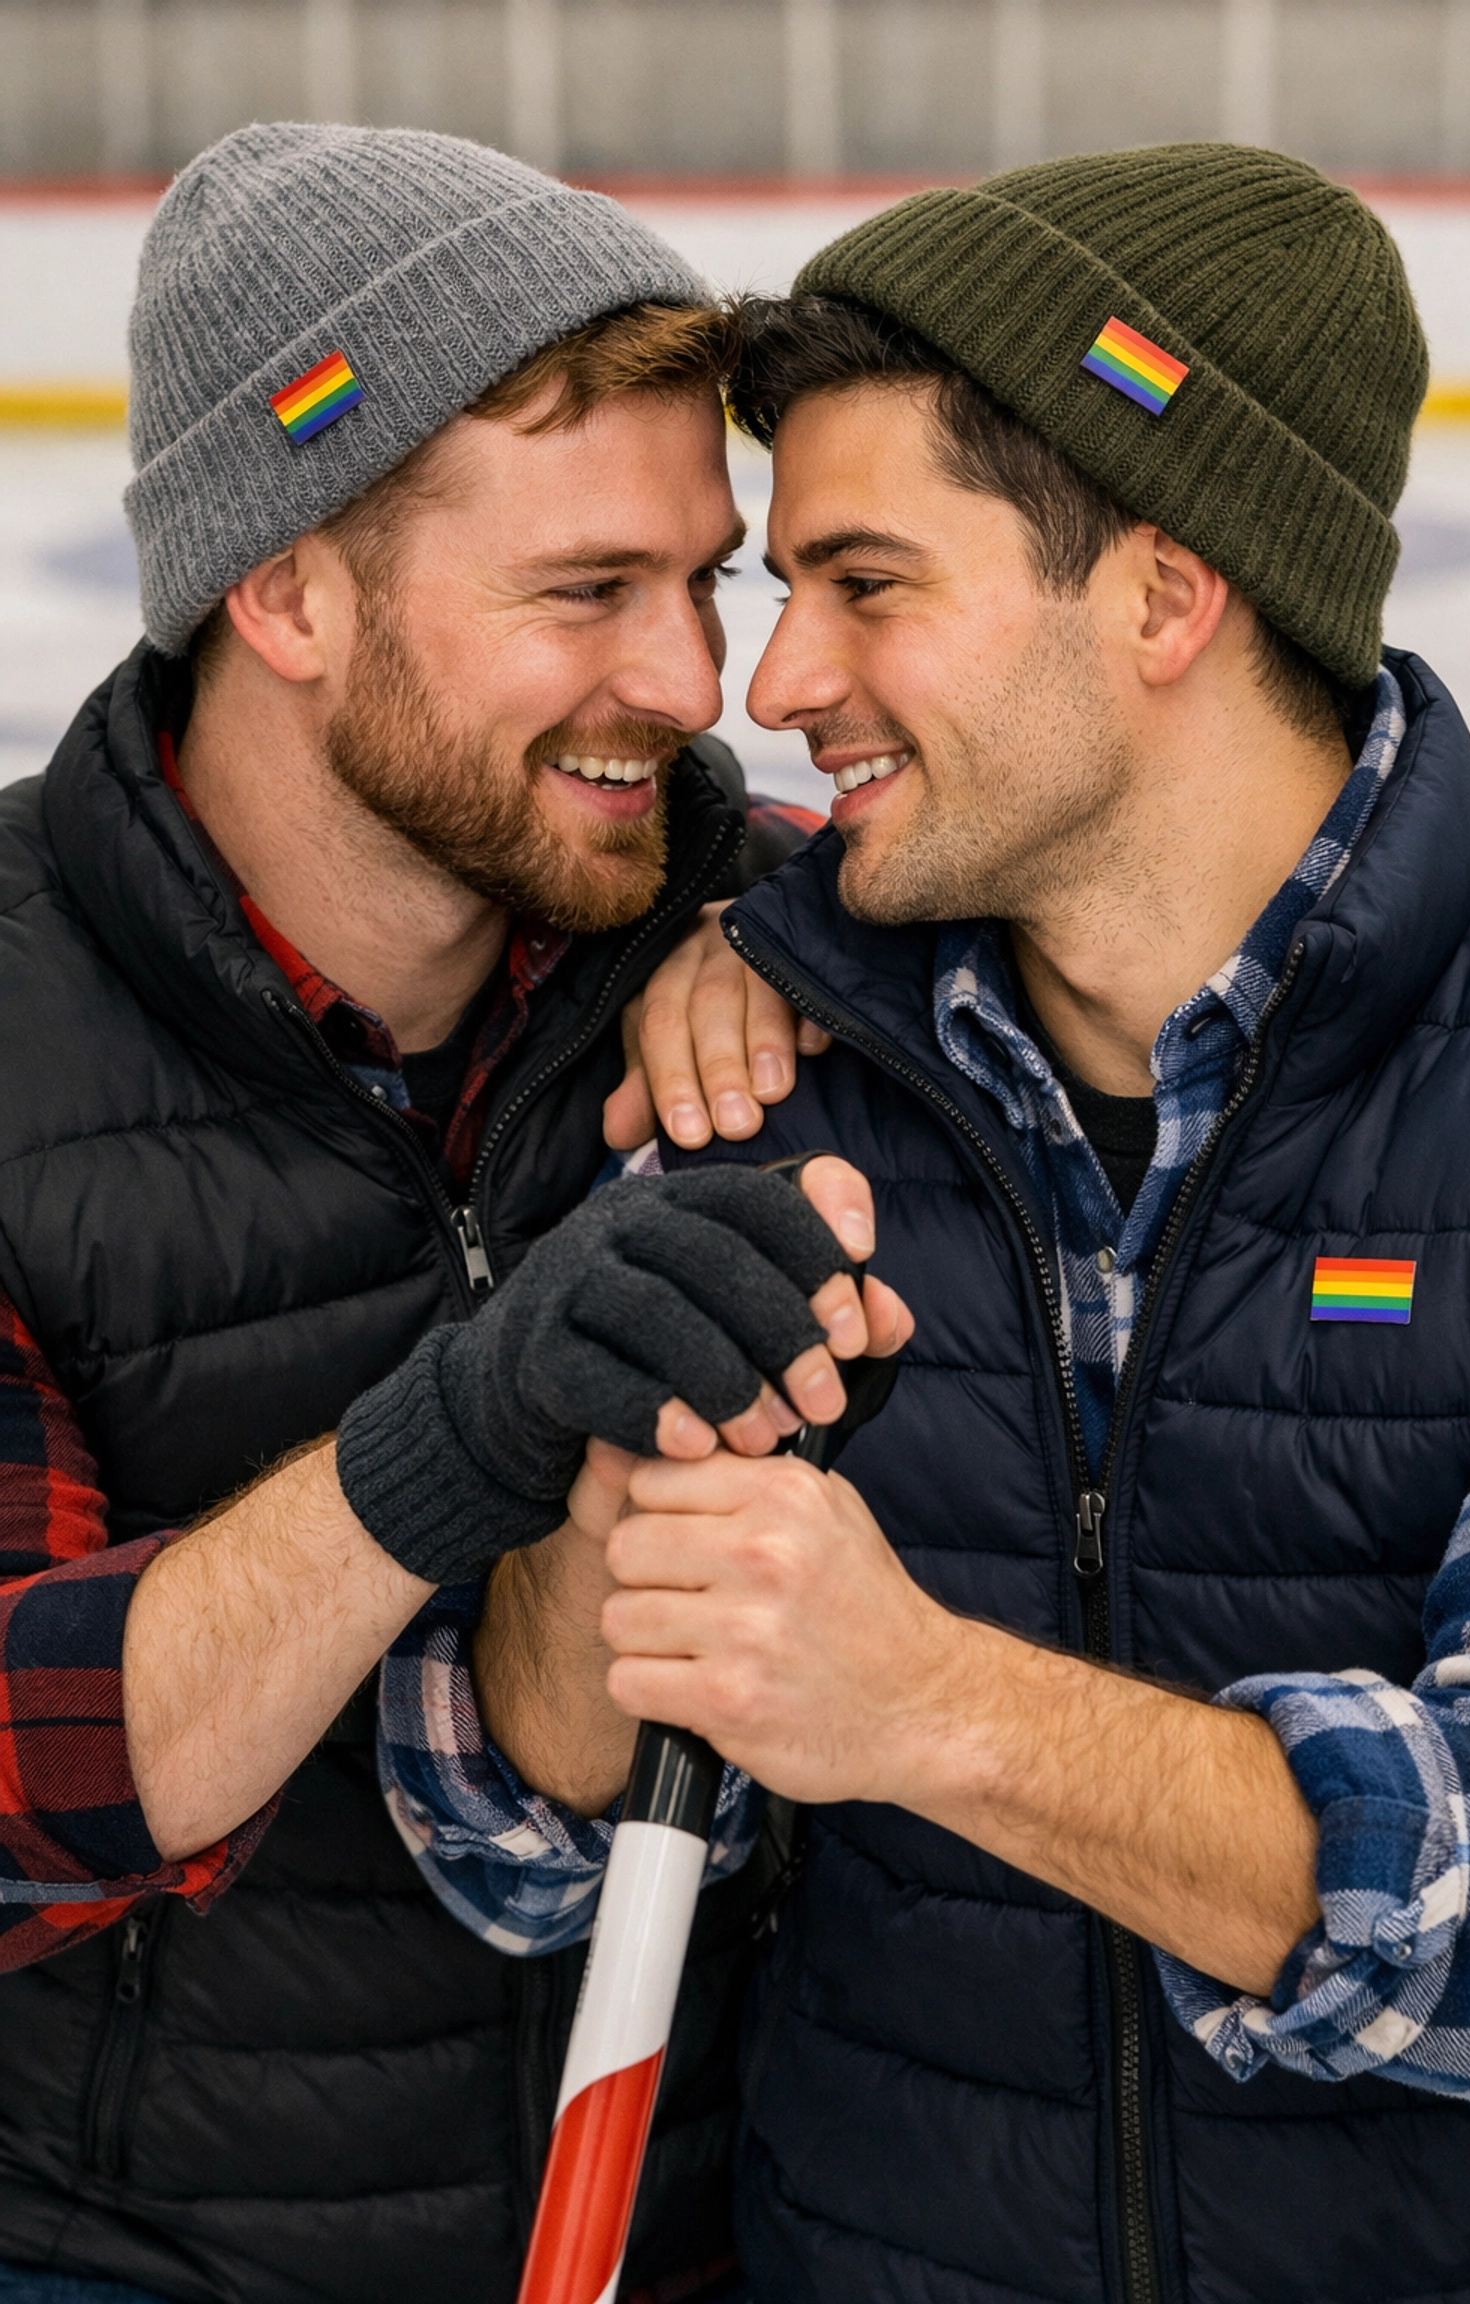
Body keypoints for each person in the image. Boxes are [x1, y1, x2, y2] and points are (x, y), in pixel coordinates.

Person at [409, 145, 1470, 2300]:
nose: (771, 684)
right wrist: (601, 1531)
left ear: (1158, 594)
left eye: (867, 583)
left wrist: (928, 1705)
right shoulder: (767, 1066)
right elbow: (504, 1838)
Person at [0, 120, 832, 2304]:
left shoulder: (771, 931)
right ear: (285, 589)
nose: (692, 686)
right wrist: (450, 1439)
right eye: (586, 594)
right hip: (143, 2250)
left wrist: (817, 930)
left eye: (703, 582)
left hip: (706, 2216)